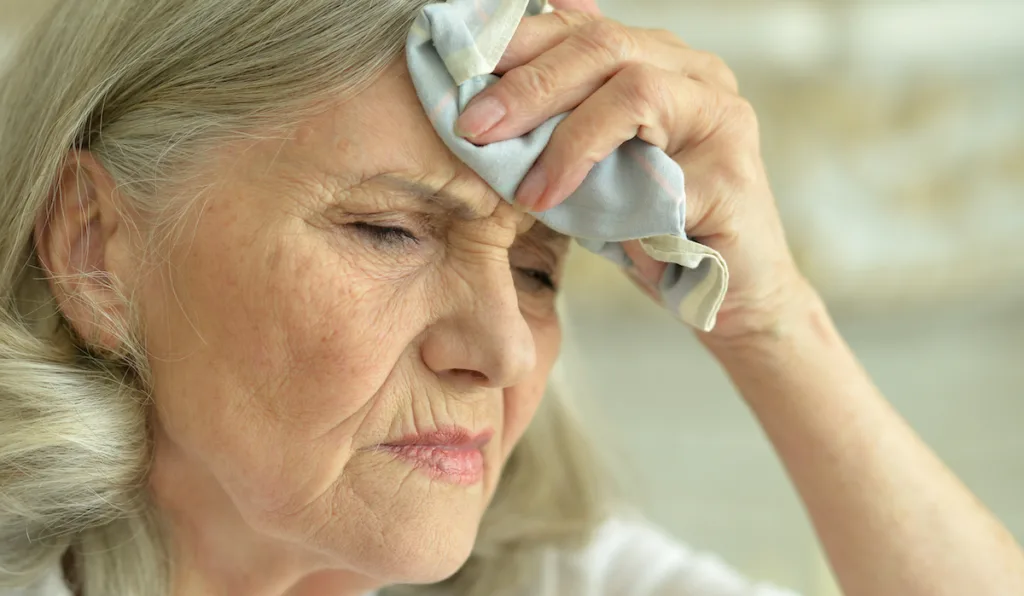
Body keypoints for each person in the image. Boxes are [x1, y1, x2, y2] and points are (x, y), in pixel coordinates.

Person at [0, 0, 1021, 595]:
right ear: (95, 246)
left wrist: (772, 318)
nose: (501, 347)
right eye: (388, 230)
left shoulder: (566, 577)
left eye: (538, 269)